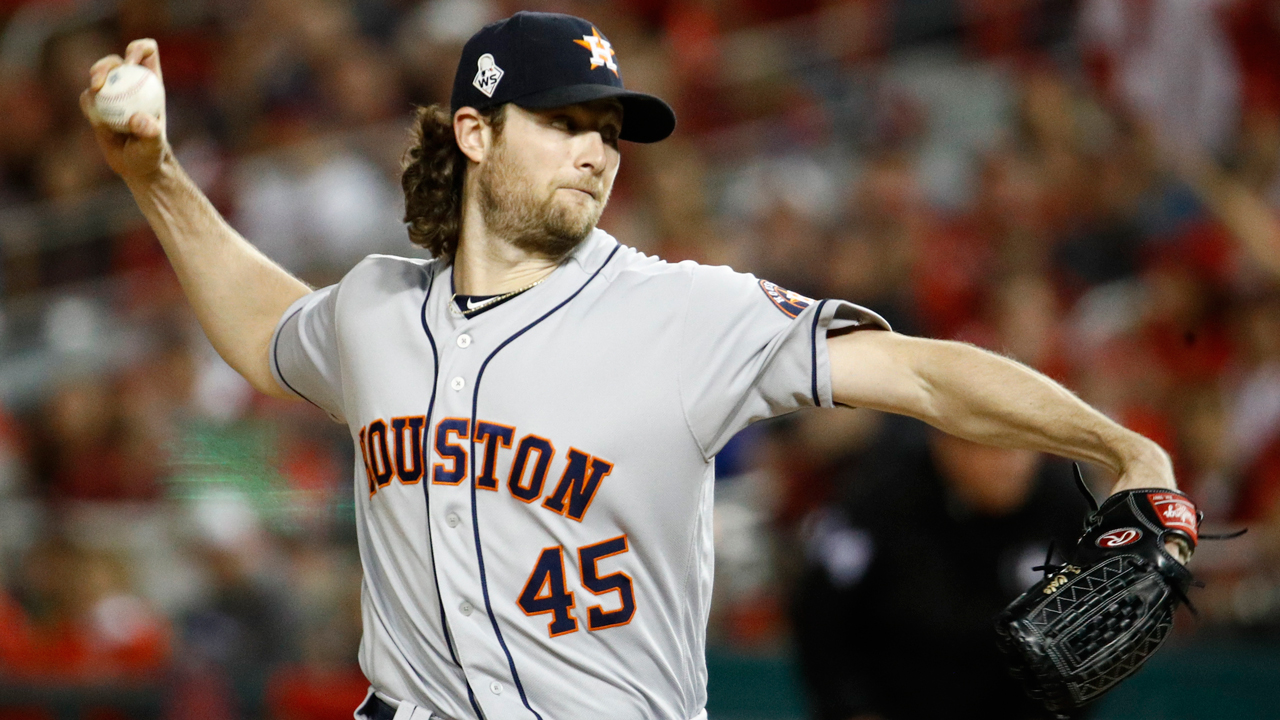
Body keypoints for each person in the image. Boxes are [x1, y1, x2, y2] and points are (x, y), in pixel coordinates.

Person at [80, 12, 1184, 720]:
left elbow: (923, 376)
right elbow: (267, 330)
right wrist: (155, 175)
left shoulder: (682, 310)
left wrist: (1114, 443)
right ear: (473, 133)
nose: (597, 149)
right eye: (564, 121)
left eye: (608, 128)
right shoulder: (376, 310)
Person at [790, 418, 1092, 720]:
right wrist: (851, 708)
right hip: (896, 702)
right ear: (945, 445)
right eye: (994, 450)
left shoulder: (1065, 506)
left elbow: (1089, 641)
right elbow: (820, 615)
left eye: (1025, 446)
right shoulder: (884, 498)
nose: (1012, 464)